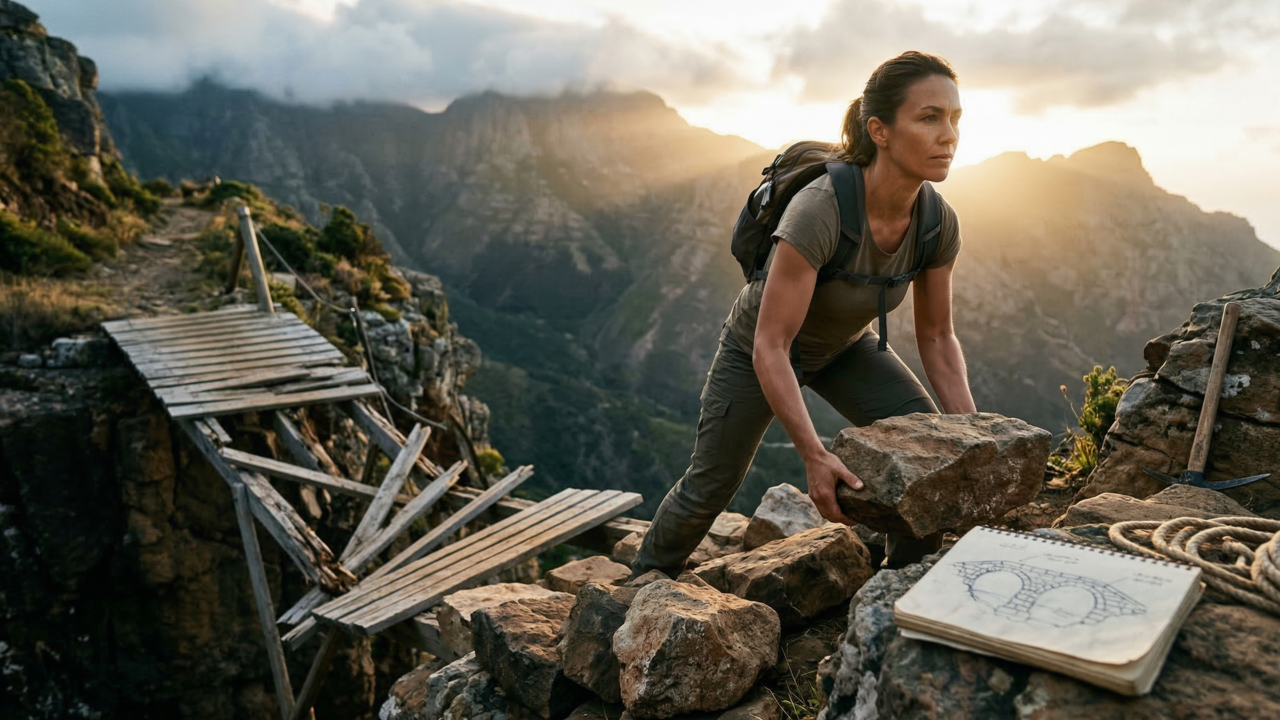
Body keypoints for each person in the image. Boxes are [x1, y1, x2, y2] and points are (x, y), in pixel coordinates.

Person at [634, 51, 977, 577]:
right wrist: (814, 455)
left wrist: (972, 438)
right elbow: (771, 343)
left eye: (955, 119)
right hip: (761, 349)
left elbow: (936, 336)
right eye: (929, 117)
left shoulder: (936, 223)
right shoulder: (821, 209)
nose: (948, 135)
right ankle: (641, 584)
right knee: (712, 484)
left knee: (926, 458)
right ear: (879, 130)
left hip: (845, 349)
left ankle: (895, 587)